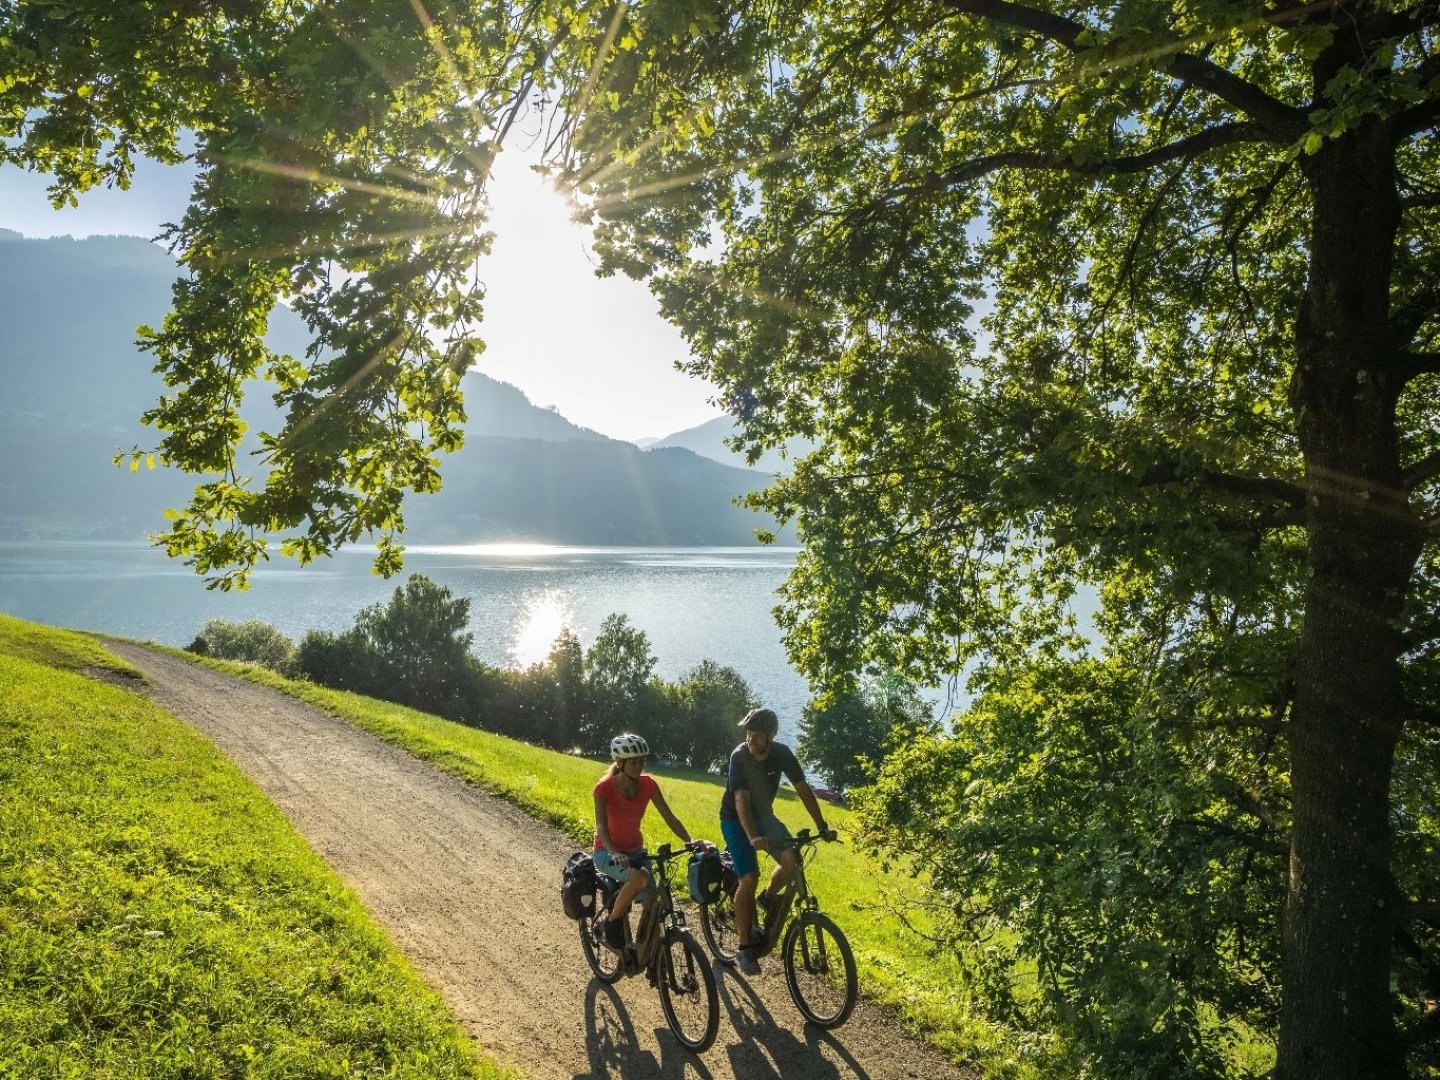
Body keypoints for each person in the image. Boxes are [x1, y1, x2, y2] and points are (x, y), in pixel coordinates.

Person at [720, 707, 833, 975]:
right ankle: (745, 948)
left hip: (765, 818)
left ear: (771, 735)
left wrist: (822, 825)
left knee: (792, 861)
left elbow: (803, 789)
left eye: (757, 736)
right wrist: (752, 837)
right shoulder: (740, 757)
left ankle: (768, 899)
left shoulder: (782, 753)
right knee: (748, 877)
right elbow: (741, 802)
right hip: (736, 820)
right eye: (748, 734)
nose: (751, 740)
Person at [593, 732, 699, 952]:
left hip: (636, 851)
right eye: (633, 762)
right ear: (619, 762)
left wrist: (690, 841)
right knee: (640, 877)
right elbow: (601, 828)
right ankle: (610, 923)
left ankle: (641, 950)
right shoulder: (603, 789)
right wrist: (614, 853)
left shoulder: (649, 785)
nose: (639, 766)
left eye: (642, 761)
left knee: (652, 906)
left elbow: (670, 818)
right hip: (607, 852)